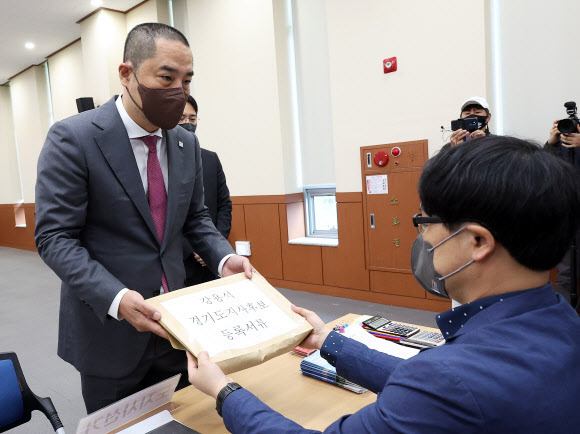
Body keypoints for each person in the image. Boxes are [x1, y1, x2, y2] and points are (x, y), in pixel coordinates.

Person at [186, 135, 580, 433]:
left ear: (477, 242)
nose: (423, 239)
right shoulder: (563, 321)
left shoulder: (450, 379)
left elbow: (437, 384)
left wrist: (226, 392)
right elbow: (426, 382)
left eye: (425, 223)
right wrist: (327, 340)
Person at [34, 23, 254, 413]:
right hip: (110, 331)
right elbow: (55, 238)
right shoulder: (74, 138)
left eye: (186, 80)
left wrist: (224, 258)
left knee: (185, 420)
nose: (178, 90)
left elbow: (196, 218)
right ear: (127, 74)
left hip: (178, 328)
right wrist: (116, 299)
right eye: (166, 76)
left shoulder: (186, 142)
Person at [179, 95, 233, 286]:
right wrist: (193, 247)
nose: (188, 123)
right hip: (178, 260)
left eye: (192, 119)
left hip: (211, 260)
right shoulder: (160, 160)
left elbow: (224, 205)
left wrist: (212, 246)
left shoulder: (210, 159)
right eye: (182, 118)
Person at [546, 120, 580, 305]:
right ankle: (565, 322)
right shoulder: (559, 146)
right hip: (566, 216)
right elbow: (541, 170)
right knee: (566, 274)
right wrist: (551, 143)